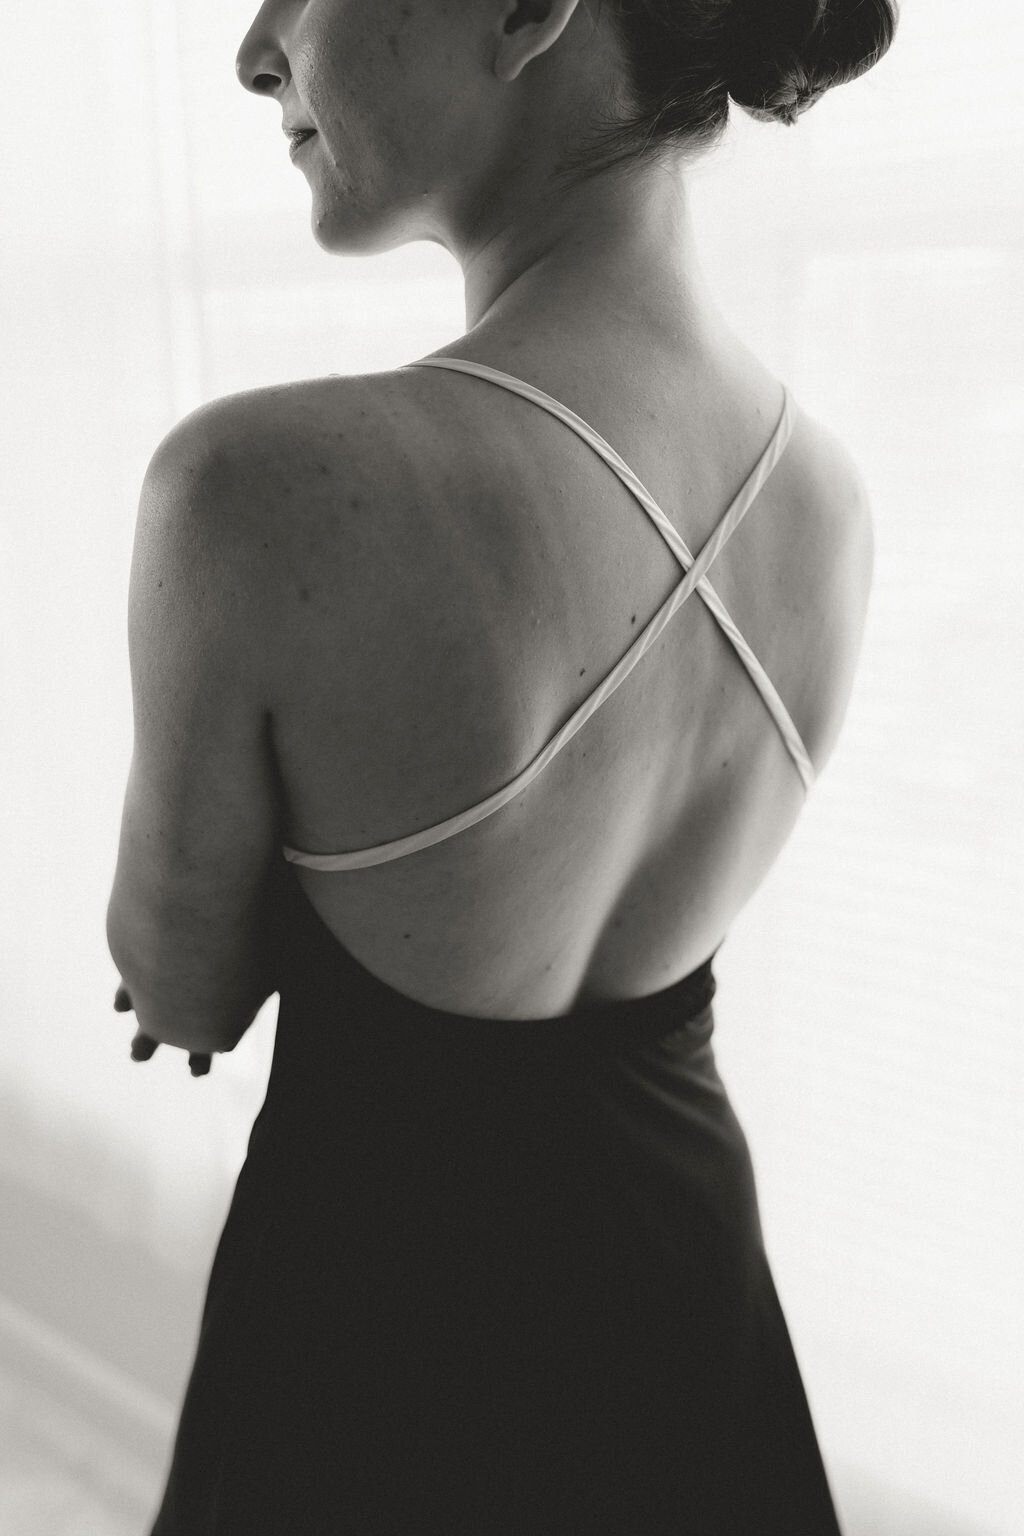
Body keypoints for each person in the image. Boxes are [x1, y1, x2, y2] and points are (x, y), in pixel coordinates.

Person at [107, 0, 897, 1529]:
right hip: (683, 1292)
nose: (258, 51)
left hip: (379, 1332)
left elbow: (181, 983)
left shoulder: (254, 495)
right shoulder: (834, 507)